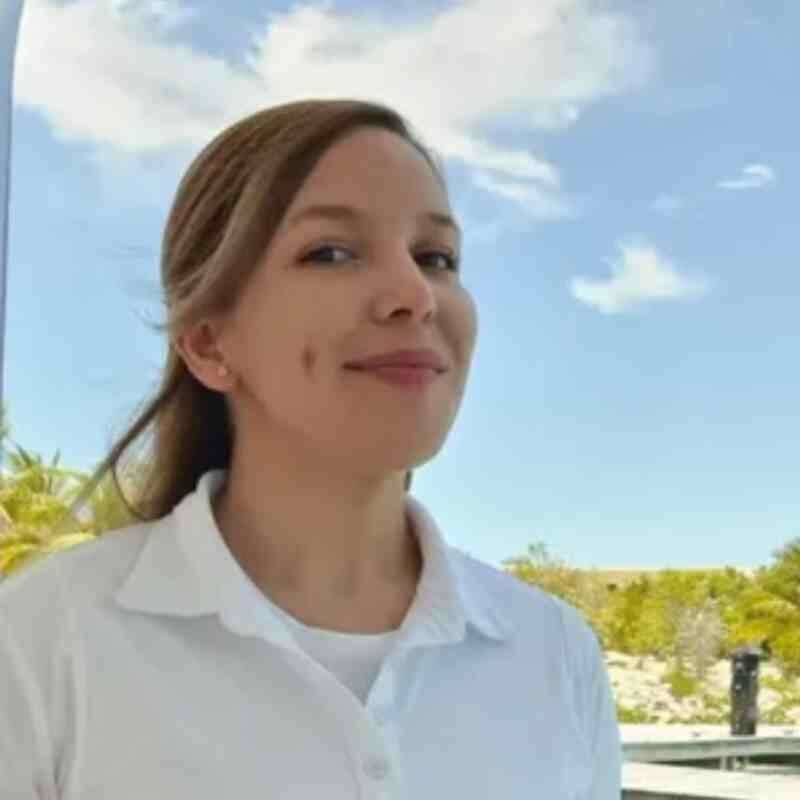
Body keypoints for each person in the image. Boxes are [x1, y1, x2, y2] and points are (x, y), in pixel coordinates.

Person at [0, 99, 622, 798]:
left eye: (436, 257)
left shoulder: (556, 654)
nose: (415, 293)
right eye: (330, 252)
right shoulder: (38, 647)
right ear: (208, 342)